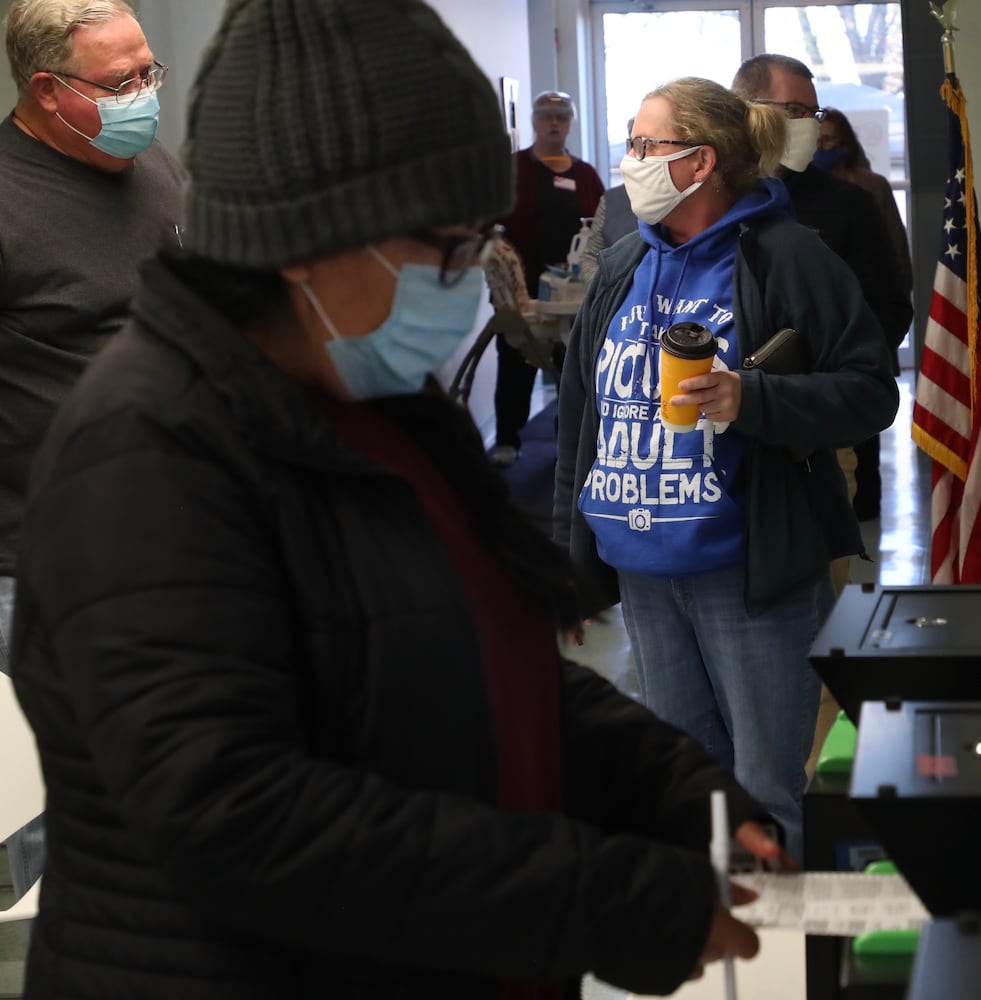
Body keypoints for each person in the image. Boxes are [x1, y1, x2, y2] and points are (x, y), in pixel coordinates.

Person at [10, 2, 776, 996]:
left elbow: (459, 657)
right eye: (447, 247)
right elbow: (239, 816)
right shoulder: (145, 453)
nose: (464, 281)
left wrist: (661, 781)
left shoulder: (370, 406)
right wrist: (596, 897)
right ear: (306, 237)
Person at [553, 76, 899, 861]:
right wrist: (567, 571)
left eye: (646, 146)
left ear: (700, 163)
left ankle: (789, 972)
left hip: (749, 572)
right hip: (642, 569)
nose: (630, 161)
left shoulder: (787, 257)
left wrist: (754, 399)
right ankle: (726, 965)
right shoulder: (619, 267)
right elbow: (582, 426)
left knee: (766, 793)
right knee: (693, 794)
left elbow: (870, 390)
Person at [0, 0, 183, 901]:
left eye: (149, 72)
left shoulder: (150, 165)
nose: (145, 96)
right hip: (40, 572)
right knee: (64, 857)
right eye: (121, 84)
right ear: (47, 90)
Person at [732, 54, 913, 525]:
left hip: (818, 431)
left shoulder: (846, 202)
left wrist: (830, 379)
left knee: (819, 583)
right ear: (747, 109)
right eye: (793, 111)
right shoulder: (711, 199)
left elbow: (889, 306)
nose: (807, 125)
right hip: (722, 432)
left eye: (812, 113)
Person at [490, 89, 604, 467]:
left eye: (562, 117)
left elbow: (603, 228)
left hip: (574, 292)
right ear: (534, 121)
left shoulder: (585, 175)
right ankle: (507, 438)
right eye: (546, 116)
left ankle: (569, 439)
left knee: (573, 363)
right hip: (521, 290)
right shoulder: (511, 169)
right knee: (516, 360)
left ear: (570, 122)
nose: (554, 123)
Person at [816, 107, 914, 313]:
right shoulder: (806, 191)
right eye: (816, 141)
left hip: (873, 299)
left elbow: (898, 250)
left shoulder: (873, 186)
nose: (821, 147)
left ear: (845, 143)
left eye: (827, 139)